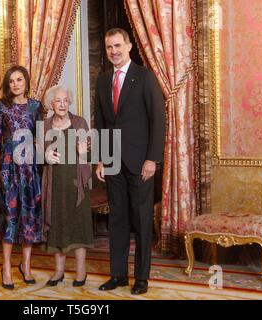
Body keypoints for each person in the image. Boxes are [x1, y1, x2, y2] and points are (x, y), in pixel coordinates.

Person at [94, 28, 166, 295]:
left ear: (129, 46)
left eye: (118, 46)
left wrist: (152, 159)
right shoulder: (102, 81)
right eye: (109, 47)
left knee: (142, 220)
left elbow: (158, 120)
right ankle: (118, 275)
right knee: (118, 220)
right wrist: (100, 159)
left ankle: (142, 278)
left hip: (140, 163)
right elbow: (100, 123)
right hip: (112, 161)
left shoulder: (144, 77)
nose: (113, 51)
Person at [0, 65, 43, 290]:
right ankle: (7, 268)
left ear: (26, 81)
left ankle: (26, 266)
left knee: (29, 216)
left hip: (30, 168)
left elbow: (39, 138)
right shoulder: (2, 107)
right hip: (8, 168)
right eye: (11, 81)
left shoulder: (36, 106)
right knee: (9, 217)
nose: (15, 84)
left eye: (19, 80)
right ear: (7, 84)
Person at [41, 85, 93, 287]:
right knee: (57, 225)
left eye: (65, 101)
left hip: (75, 182)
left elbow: (91, 153)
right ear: (51, 104)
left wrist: (83, 152)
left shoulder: (80, 122)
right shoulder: (44, 125)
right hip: (54, 184)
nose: (62, 104)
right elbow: (37, 154)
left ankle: (81, 271)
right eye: (58, 101)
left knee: (79, 226)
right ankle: (59, 271)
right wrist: (44, 155)